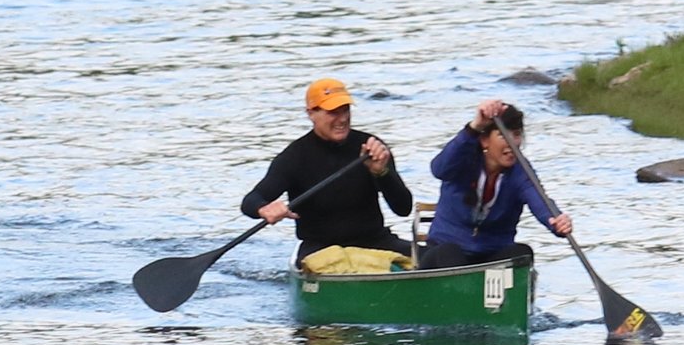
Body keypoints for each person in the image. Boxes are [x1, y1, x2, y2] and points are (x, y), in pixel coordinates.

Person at [241, 77, 414, 262]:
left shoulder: (371, 148)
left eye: (345, 110)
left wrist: (381, 173)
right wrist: (264, 208)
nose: (343, 119)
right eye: (333, 112)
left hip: (375, 242)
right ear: (311, 113)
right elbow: (250, 201)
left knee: (434, 258)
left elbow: (404, 208)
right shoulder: (294, 157)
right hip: (320, 249)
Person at [419, 101, 572, 270]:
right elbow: (438, 169)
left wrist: (556, 221)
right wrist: (474, 127)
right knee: (449, 253)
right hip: (444, 251)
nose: (512, 143)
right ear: (485, 141)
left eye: (517, 134)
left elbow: (539, 199)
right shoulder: (462, 157)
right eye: (503, 135)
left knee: (522, 253)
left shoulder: (521, 171)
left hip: (490, 256)